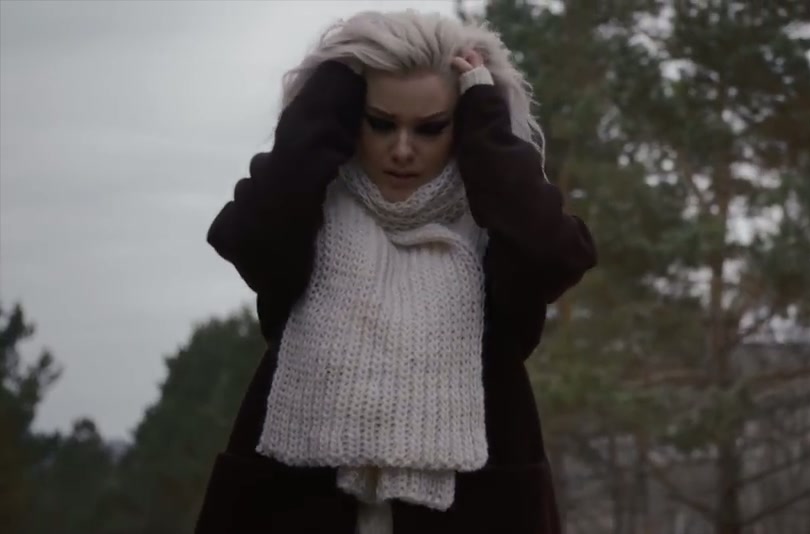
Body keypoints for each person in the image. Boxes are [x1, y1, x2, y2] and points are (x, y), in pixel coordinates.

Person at [194, 10, 596, 534]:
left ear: (463, 126)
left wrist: (487, 129)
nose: (402, 149)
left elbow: (554, 253)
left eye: (431, 128)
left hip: (475, 511)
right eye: (380, 123)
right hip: (295, 506)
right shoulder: (304, 215)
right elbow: (247, 233)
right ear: (349, 117)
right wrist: (334, 83)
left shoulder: (495, 228)